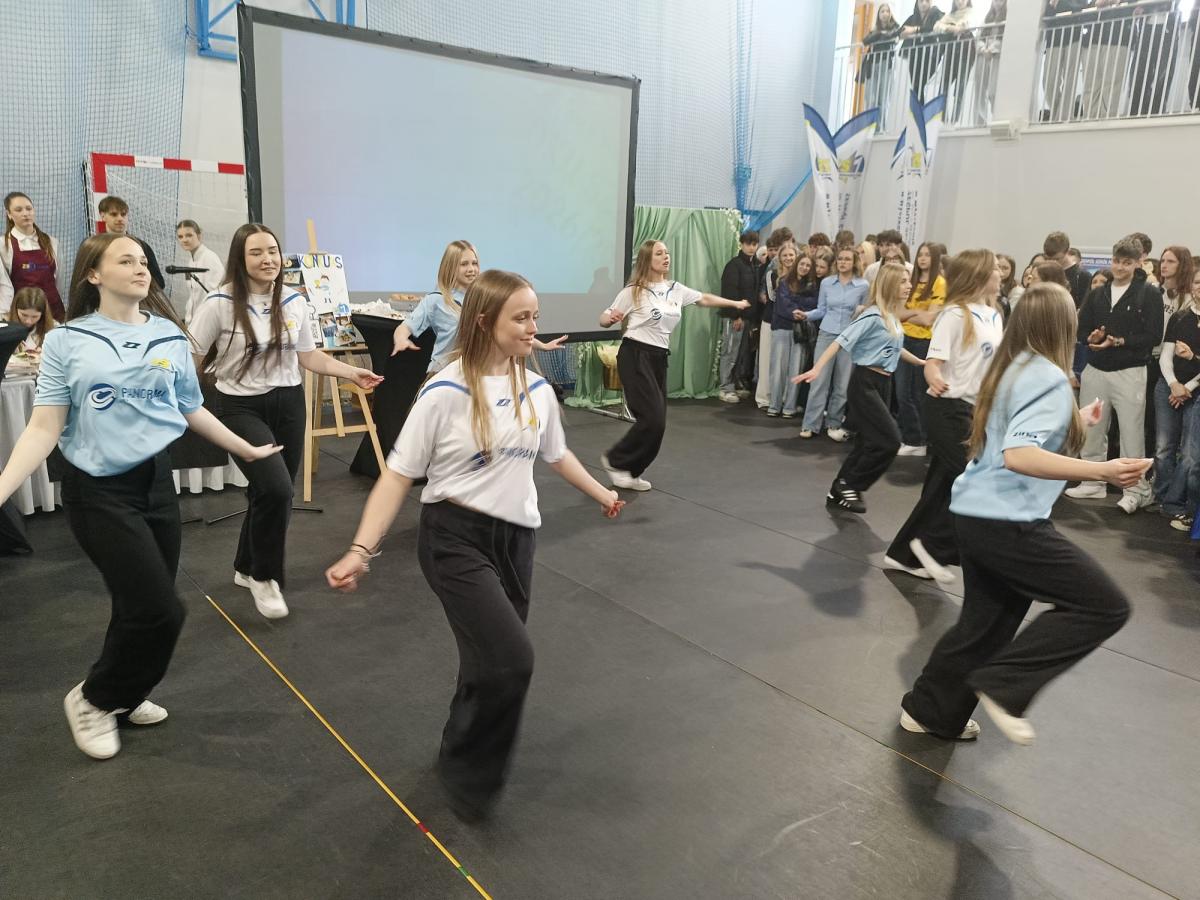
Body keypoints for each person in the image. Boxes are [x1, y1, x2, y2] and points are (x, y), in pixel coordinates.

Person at [326, 269, 624, 820]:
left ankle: (454, 746)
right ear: (485, 322)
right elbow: (397, 475)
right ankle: (472, 777)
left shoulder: (537, 390)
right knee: (512, 659)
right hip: (453, 539)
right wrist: (360, 551)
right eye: (521, 318)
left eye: (535, 316)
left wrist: (601, 492)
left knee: (485, 660)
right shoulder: (444, 391)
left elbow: (556, 454)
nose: (533, 327)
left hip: (517, 542)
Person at [0, 233, 282, 759]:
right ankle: (94, 698)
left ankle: (125, 698)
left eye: (143, 261)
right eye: (125, 260)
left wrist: (244, 448)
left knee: (137, 603)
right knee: (161, 610)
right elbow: (43, 427)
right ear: (93, 275)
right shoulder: (67, 340)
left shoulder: (169, 336)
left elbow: (190, 408)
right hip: (97, 491)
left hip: (155, 483)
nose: (140, 268)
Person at [898, 284, 1145, 745]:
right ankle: (1005, 685)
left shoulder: (1013, 366)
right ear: (1062, 324)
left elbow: (1014, 436)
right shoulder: (1048, 376)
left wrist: (1078, 419)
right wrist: (1104, 471)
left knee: (983, 626)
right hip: (1005, 521)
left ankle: (928, 710)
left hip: (975, 514)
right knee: (1105, 605)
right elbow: (1019, 455)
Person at [189, 224, 384, 619]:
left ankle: (245, 567)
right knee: (277, 491)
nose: (268, 260)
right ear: (240, 258)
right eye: (256, 252)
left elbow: (308, 356)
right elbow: (190, 357)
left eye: (273, 251)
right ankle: (265, 576)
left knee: (269, 490)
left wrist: (351, 372)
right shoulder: (219, 303)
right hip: (240, 407)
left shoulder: (294, 301)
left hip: (290, 404)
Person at [885, 249, 1005, 581]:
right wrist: (934, 376)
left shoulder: (995, 315)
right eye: (995, 268)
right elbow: (933, 363)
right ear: (978, 275)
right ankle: (932, 546)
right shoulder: (954, 315)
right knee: (972, 479)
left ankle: (903, 554)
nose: (1000, 273)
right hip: (947, 408)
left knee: (940, 486)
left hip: (974, 411)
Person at [598, 240, 750, 490]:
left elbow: (704, 299)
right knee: (652, 419)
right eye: (659, 253)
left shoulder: (675, 289)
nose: (666, 256)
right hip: (635, 355)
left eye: (667, 253)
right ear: (647, 260)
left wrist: (734, 304)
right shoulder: (634, 290)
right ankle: (615, 460)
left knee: (659, 425)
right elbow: (604, 317)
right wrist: (610, 319)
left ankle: (632, 471)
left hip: (659, 357)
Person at [795, 263, 926, 512]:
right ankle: (852, 484)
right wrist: (817, 368)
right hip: (865, 383)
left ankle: (839, 489)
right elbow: (840, 341)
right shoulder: (873, 315)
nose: (909, 286)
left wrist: (921, 362)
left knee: (868, 442)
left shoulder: (891, 316)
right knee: (890, 441)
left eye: (909, 281)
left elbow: (895, 348)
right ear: (889, 284)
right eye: (903, 281)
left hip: (883, 383)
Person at [1065, 237, 1163, 512]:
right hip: (1096, 369)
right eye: (1117, 261)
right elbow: (1082, 329)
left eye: (1126, 262)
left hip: (1130, 371)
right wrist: (1092, 337)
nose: (1120, 267)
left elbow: (1154, 336)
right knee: (1092, 429)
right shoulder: (1099, 293)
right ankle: (1092, 481)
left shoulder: (1148, 293)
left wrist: (1118, 341)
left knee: (1132, 434)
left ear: (1138, 263)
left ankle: (1137, 489)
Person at [393, 240, 566, 371]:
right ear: (450, 267)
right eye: (464, 264)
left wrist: (543, 346)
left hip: (475, 373)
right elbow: (406, 327)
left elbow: (504, 332)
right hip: (443, 373)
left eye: (474, 263)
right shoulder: (435, 300)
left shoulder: (485, 299)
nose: (471, 269)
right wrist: (401, 339)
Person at [800, 246, 869, 441]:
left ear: (854, 262)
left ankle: (834, 423)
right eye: (840, 259)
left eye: (847, 259)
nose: (843, 262)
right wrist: (806, 315)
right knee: (818, 380)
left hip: (849, 337)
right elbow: (821, 309)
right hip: (827, 334)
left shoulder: (863, 285)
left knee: (842, 384)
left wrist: (862, 309)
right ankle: (810, 424)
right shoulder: (827, 283)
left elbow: (866, 312)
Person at [1152, 249, 1198, 530]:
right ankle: (1163, 498)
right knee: (1163, 448)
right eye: (1197, 283)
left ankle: (1177, 502)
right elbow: (1165, 355)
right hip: (1167, 385)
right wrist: (1172, 384)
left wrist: (1187, 388)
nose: (1199, 288)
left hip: (1194, 391)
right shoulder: (1180, 317)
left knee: (1190, 453)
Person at [896, 242, 946, 455]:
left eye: (927, 255)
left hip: (923, 342)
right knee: (901, 392)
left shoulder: (939, 283)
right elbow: (897, 312)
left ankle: (918, 440)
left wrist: (907, 315)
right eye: (920, 254)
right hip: (903, 338)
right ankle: (910, 436)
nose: (923, 258)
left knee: (916, 393)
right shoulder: (911, 280)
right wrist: (915, 314)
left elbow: (929, 319)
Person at [2, 192, 63, 321]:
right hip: (23, 316)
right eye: (18, 210)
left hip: (53, 312)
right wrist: (5, 315)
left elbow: (59, 280)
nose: (25, 213)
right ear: (9, 214)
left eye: (29, 208)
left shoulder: (52, 242)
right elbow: (4, 286)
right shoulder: (3, 245)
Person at [718, 230, 761, 403]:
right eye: (748, 244)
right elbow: (729, 292)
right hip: (734, 317)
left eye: (754, 244)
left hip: (748, 318)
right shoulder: (734, 265)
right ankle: (725, 388)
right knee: (730, 352)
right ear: (742, 244)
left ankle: (735, 385)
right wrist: (736, 316)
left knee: (741, 354)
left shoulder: (755, 265)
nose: (751, 247)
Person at [767, 244, 805, 417]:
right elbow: (782, 306)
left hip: (799, 331)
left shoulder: (805, 280)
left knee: (796, 369)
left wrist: (800, 310)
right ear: (780, 259)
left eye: (792, 255)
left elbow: (810, 303)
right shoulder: (779, 279)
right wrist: (799, 312)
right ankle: (774, 406)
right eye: (785, 255)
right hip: (781, 328)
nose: (789, 258)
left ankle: (789, 407)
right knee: (777, 369)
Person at [97, 196, 165, 289]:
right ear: (103, 216)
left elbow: (159, 283)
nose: (120, 218)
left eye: (123, 214)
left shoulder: (142, 246)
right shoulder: (95, 246)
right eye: (114, 214)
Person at [174, 219, 225, 325]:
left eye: (189, 235)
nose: (184, 240)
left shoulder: (210, 258)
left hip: (209, 321)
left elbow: (218, 294)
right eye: (180, 237)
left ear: (199, 235)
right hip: (193, 321)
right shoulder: (191, 261)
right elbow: (193, 296)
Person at [900, 1, 947, 102]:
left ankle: (920, 109)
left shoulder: (936, 13)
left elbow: (935, 28)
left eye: (927, 1)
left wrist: (916, 29)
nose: (924, 4)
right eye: (921, 1)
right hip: (915, 55)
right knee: (916, 85)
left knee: (921, 83)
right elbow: (900, 31)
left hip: (931, 54)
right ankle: (919, 109)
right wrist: (903, 33)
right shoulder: (913, 17)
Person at [974, 1, 1007, 125]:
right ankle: (979, 123)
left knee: (993, 91)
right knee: (980, 90)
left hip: (996, 56)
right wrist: (983, 49)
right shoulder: (987, 18)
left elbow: (1005, 38)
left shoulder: (1007, 17)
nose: (998, 3)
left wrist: (991, 49)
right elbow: (978, 37)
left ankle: (996, 118)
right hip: (983, 55)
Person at [6, 286, 56, 352]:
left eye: (35, 316)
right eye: (24, 315)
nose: (28, 321)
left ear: (43, 314)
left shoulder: (54, 329)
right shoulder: (3, 325)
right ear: (15, 309)